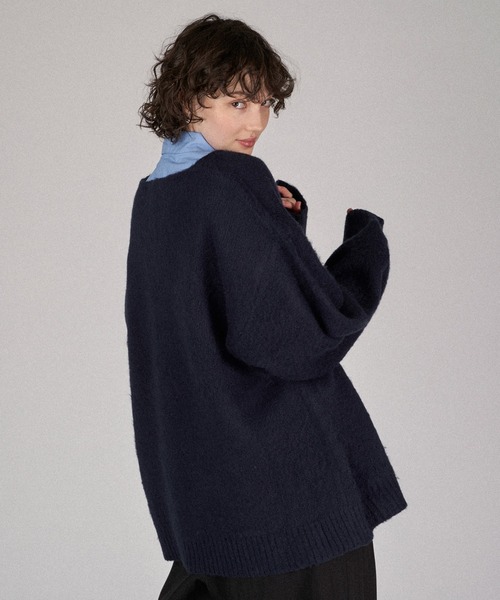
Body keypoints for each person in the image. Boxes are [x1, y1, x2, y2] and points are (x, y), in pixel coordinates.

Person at [125, 13, 407, 600]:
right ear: (188, 97)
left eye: (265, 103)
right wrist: (367, 250)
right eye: (236, 102)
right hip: (286, 500)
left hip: (205, 498)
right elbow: (305, 336)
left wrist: (278, 231)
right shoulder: (230, 182)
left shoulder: (154, 196)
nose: (255, 122)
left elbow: (219, 310)